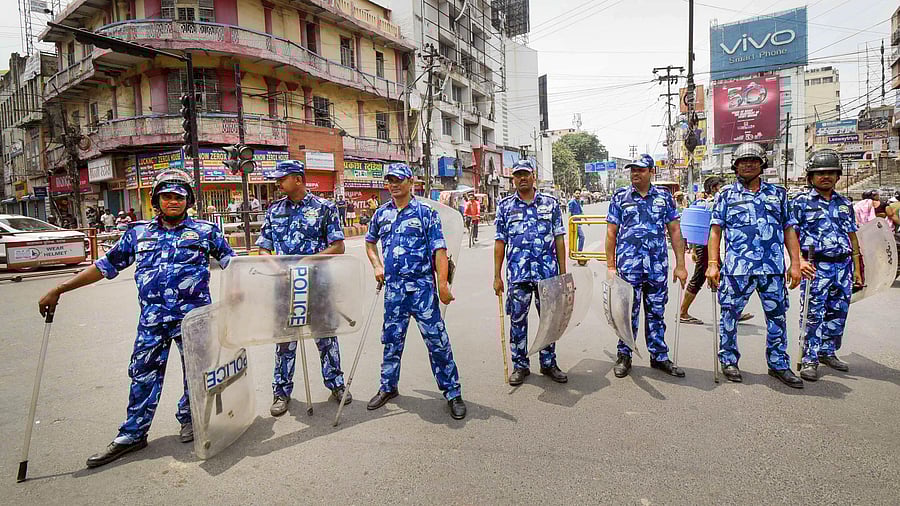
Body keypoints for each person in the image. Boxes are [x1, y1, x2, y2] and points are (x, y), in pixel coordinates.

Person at [37, 169, 234, 468]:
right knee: (142, 375)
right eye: (166, 196)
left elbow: (235, 266)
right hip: (152, 323)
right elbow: (104, 266)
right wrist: (60, 289)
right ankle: (133, 433)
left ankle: (192, 419)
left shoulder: (207, 232)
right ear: (156, 200)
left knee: (196, 375)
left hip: (194, 322)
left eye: (179, 197)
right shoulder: (138, 234)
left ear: (188, 200)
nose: (173, 202)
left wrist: (258, 284)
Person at [364, 163, 466, 420]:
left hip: (422, 290)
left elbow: (439, 251)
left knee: (437, 342)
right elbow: (369, 242)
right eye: (390, 180)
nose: (394, 184)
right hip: (394, 293)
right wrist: (377, 266)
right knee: (391, 341)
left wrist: (443, 286)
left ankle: (452, 393)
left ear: (411, 182)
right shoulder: (381, 214)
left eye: (399, 180)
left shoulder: (425, 213)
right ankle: (388, 387)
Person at [255, 160, 350, 416]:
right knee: (285, 342)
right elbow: (263, 247)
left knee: (326, 337)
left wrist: (309, 261)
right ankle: (281, 393)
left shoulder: (324, 208)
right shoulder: (274, 211)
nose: (277, 182)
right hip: (285, 287)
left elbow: (338, 246)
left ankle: (336, 384)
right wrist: (276, 268)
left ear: (297, 179)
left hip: (317, 285)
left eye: (282, 178)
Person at [706, 142, 805, 388]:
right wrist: (712, 263)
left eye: (753, 160)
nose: (748, 164)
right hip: (736, 270)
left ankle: (778, 364)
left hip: (771, 269)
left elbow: (789, 229)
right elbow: (715, 231)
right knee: (729, 315)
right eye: (743, 161)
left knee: (777, 317)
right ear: (735, 165)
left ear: (762, 164)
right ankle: (728, 360)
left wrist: (795, 263)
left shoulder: (778, 194)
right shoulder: (726, 195)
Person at [605, 154, 688, 379]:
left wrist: (680, 265)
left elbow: (675, 232)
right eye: (632, 170)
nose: (635, 173)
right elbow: (611, 233)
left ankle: (659, 356)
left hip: (656, 267)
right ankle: (625, 355)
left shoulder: (664, 198)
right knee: (626, 314)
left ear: (651, 172)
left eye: (640, 170)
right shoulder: (620, 197)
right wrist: (611, 266)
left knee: (656, 313)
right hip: (628, 268)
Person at [493, 159, 569, 386]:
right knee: (517, 320)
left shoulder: (550, 204)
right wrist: (497, 276)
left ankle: (548, 362)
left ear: (533, 176)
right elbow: (500, 243)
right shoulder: (505, 207)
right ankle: (520, 365)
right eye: (518, 175)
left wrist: (563, 275)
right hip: (518, 275)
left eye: (526, 174)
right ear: (513, 179)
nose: (522, 178)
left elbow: (559, 240)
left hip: (547, 275)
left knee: (549, 320)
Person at [791, 149, 863, 381]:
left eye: (831, 172)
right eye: (820, 173)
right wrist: (799, 261)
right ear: (810, 177)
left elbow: (852, 237)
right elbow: (791, 234)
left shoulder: (845, 203)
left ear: (838, 176)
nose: (826, 177)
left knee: (838, 311)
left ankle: (827, 351)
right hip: (815, 266)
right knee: (813, 314)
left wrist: (858, 269)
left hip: (843, 266)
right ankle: (809, 358)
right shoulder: (801, 203)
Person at [679, 176, 753, 325]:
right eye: (720, 186)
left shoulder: (709, 202)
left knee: (720, 277)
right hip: (706, 246)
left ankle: (732, 310)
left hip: (709, 246)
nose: (724, 188)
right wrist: (695, 250)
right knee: (699, 277)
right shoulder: (711, 203)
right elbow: (699, 227)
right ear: (713, 189)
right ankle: (683, 312)